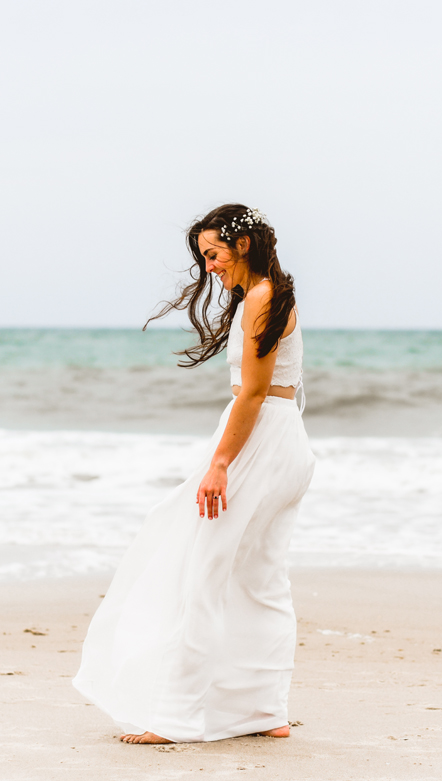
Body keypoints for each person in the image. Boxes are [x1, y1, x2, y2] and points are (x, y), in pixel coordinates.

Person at [72, 204, 316, 744]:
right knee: (262, 577)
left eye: (213, 254)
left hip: (258, 438)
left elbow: (252, 392)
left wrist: (221, 464)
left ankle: (177, 716)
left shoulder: (260, 298)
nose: (209, 267)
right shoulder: (274, 295)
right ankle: (264, 711)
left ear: (243, 245)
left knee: (201, 574)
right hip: (287, 441)